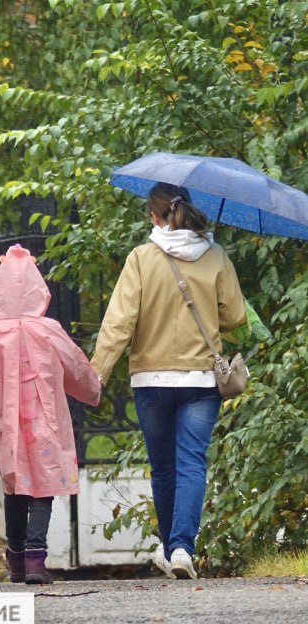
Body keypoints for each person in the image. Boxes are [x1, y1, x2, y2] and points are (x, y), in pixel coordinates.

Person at [91, 182, 245, 579]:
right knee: (192, 462)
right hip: (199, 379)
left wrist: (97, 374)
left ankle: (171, 545)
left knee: (163, 468)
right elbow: (233, 318)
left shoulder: (141, 259)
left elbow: (119, 323)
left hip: (152, 379)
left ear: (155, 216)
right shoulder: (216, 257)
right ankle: (181, 549)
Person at [0, 244, 101, 584]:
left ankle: (16, 557)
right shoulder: (48, 330)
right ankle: (37, 559)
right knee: (43, 484)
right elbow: (77, 370)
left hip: (7, 424)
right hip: (46, 421)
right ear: (38, 289)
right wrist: (91, 392)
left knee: (15, 485)